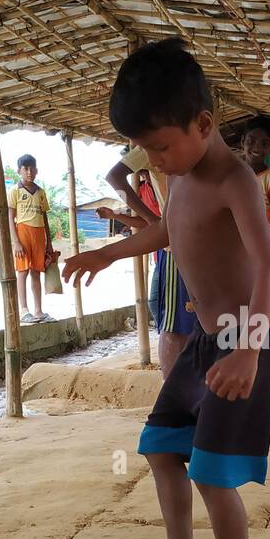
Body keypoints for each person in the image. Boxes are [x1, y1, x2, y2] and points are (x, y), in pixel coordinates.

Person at [63, 38, 270, 539]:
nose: (154, 160)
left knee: (212, 471)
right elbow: (168, 228)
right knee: (162, 446)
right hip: (204, 343)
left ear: (203, 123)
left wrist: (248, 349)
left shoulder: (235, 180)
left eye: (160, 145)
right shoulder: (181, 173)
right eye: (145, 149)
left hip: (244, 340)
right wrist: (110, 251)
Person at [108, 144, 196, 377]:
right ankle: (176, 392)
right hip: (177, 245)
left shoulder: (163, 139)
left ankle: (181, 392)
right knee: (175, 325)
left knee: (180, 324)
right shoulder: (153, 143)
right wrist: (153, 220)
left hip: (188, 246)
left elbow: (115, 177)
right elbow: (115, 177)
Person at [8, 154, 57, 323]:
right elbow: (10, 216)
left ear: (36, 170)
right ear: (19, 171)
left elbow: (45, 218)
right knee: (23, 271)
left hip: (39, 233)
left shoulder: (40, 192)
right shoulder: (15, 190)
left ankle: (38, 311)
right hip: (22, 232)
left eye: (32, 168)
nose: (29, 172)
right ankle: (24, 310)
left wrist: (49, 243)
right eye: (25, 169)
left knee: (37, 271)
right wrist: (15, 242)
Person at [240, 116, 270, 284]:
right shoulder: (230, 177)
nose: (256, 148)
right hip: (232, 254)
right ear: (242, 142)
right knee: (232, 307)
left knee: (256, 308)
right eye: (251, 141)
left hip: (260, 257)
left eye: (264, 143)